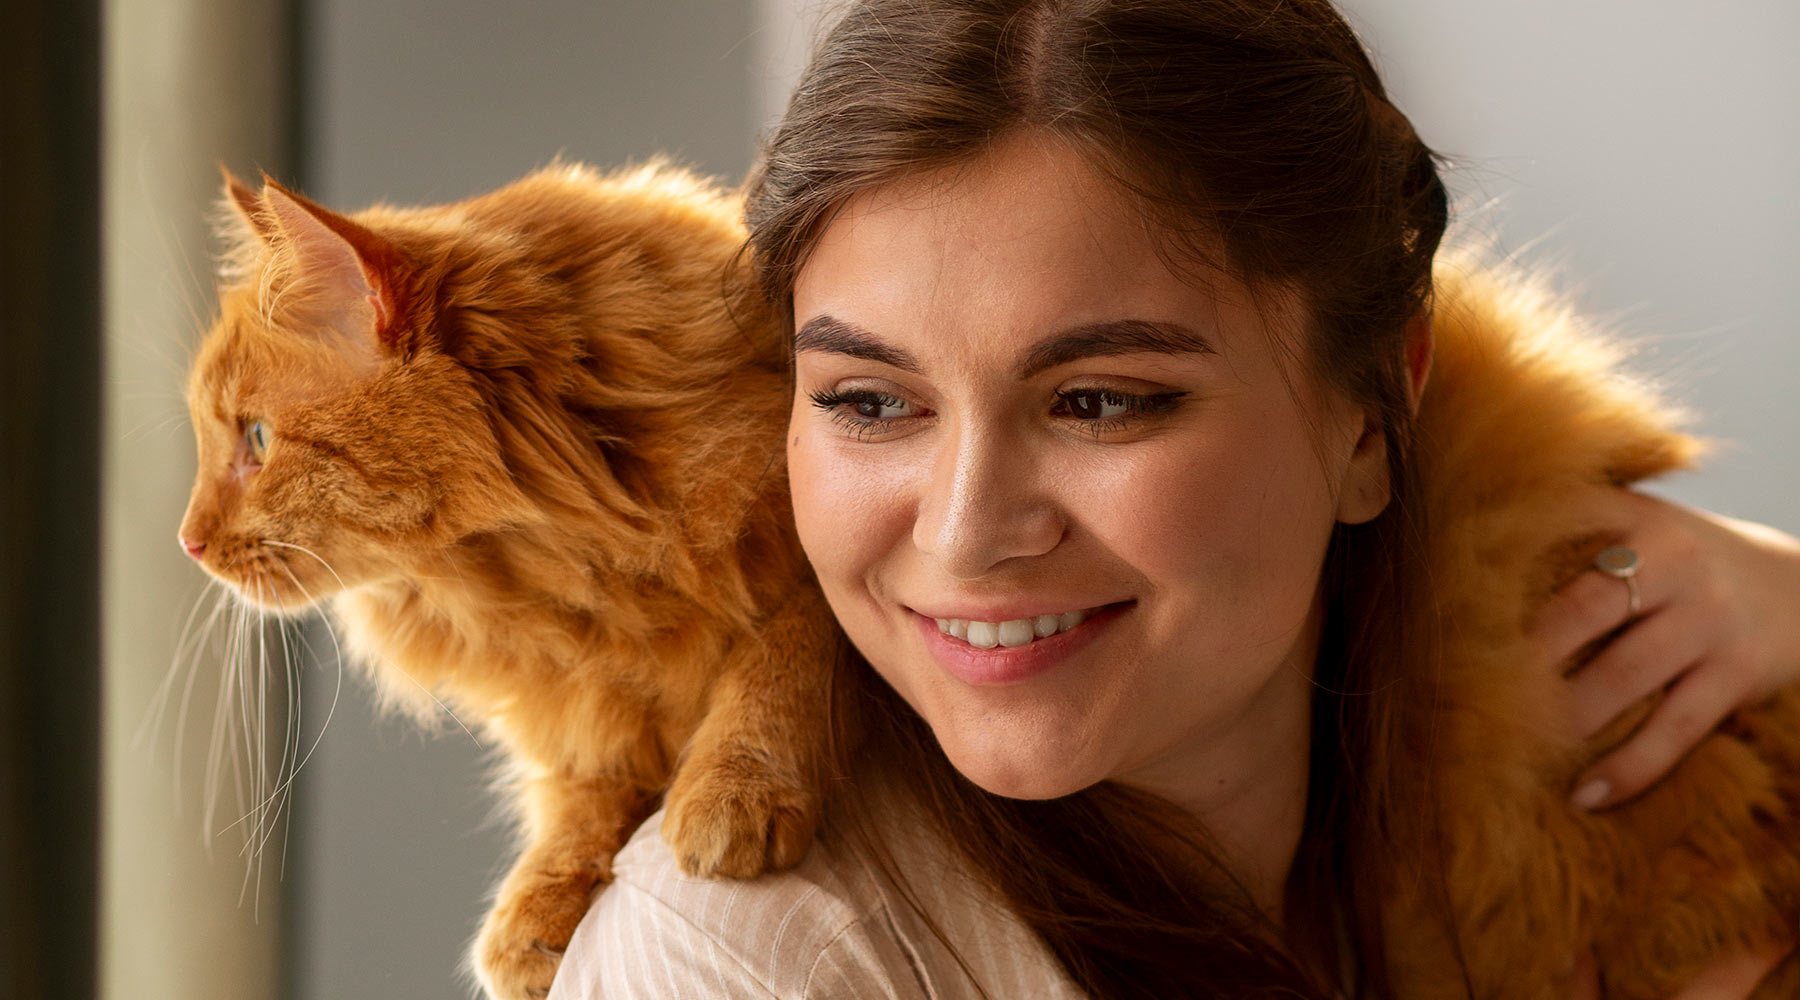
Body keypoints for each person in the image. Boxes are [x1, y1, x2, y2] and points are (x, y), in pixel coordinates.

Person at [547, 1, 1800, 996]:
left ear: (1374, 412)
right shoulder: (738, 966)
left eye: (1099, 400)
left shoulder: (1623, 779)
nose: (965, 531)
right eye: (871, 401)